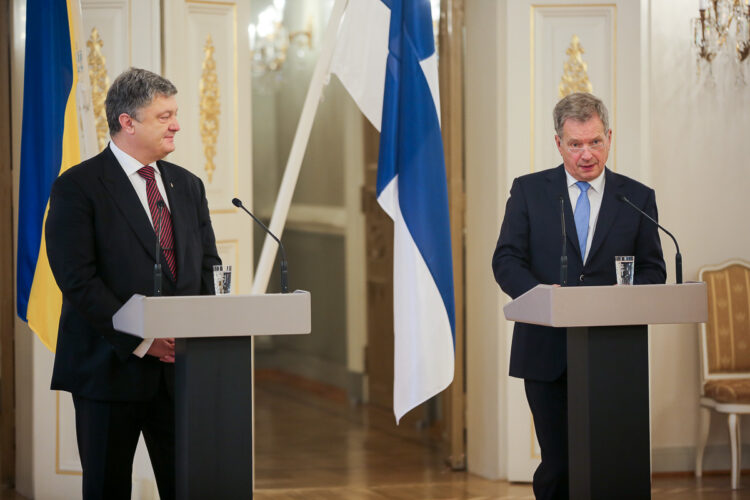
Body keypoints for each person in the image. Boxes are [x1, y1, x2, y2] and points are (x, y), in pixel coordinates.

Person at [46, 67, 221, 500]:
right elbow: (78, 279)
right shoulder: (78, 187)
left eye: (175, 114)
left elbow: (207, 268)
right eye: (164, 116)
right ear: (128, 121)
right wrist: (144, 338)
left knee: (189, 486)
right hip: (108, 367)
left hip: (179, 371)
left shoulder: (188, 186)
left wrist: (191, 334)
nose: (177, 124)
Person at [492, 92, 666, 500]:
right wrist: (540, 295)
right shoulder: (531, 191)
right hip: (546, 350)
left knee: (612, 463)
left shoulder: (636, 197)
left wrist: (620, 296)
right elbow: (506, 260)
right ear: (558, 144)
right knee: (560, 463)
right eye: (575, 144)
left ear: (609, 137)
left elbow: (654, 270)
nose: (586, 154)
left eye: (595, 142)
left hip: (614, 355)